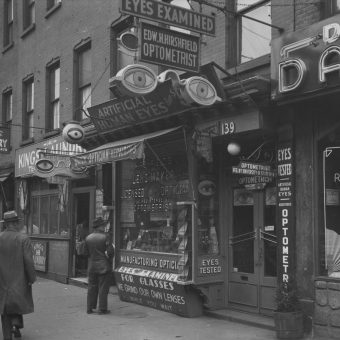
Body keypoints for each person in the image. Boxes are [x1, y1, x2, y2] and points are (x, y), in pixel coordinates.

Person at [0, 211, 36, 340]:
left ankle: (7, 335)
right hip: (19, 279)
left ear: (6, 224)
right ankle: (16, 324)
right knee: (17, 302)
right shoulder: (23, 238)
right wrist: (32, 278)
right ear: (15, 223)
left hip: (2, 279)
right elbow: (28, 261)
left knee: (4, 307)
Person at [85, 217, 114, 315]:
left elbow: (85, 252)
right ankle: (102, 309)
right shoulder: (105, 237)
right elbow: (110, 252)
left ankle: (89, 308)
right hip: (103, 266)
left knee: (91, 287)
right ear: (100, 227)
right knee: (103, 288)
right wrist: (109, 259)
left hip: (92, 265)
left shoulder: (88, 238)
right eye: (103, 225)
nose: (104, 227)